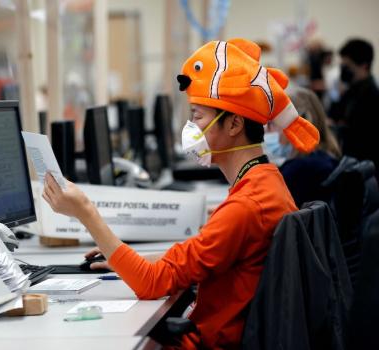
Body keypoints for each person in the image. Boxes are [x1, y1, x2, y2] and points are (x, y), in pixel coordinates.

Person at [43, 38, 320, 349]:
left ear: (234, 124)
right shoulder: (265, 182)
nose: (191, 127)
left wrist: (86, 212)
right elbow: (202, 256)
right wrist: (124, 257)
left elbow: (150, 283)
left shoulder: (246, 207)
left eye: (198, 116)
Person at [265, 85, 342, 207]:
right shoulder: (324, 158)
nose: (267, 130)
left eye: (272, 122)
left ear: (297, 125)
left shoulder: (296, 171)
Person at [329, 38, 379, 177]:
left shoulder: (371, 95)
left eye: (347, 66)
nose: (343, 70)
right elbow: (333, 115)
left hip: (361, 167)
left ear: (363, 65)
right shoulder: (350, 90)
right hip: (350, 160)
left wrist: (341, 127)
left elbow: (360, 135)